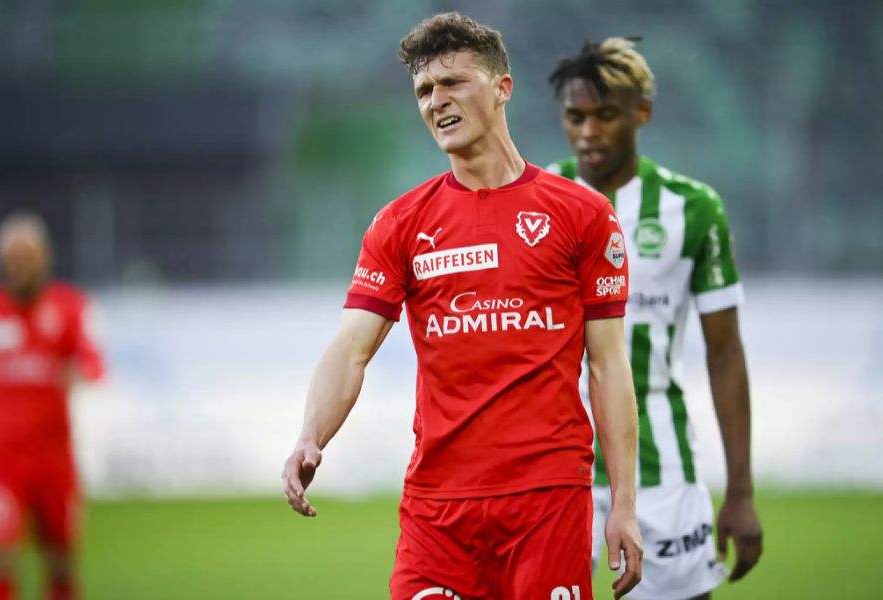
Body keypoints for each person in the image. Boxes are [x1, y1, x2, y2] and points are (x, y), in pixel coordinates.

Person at [283, 12, 643, 600]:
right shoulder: (401, 224)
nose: (436, 101)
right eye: (425, 90)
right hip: (437, 511)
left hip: (546, 502)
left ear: (503, 88)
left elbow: (608, 366)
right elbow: (351, 348)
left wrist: (624, 504)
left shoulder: (582, 215)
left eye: (453, 82)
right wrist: (309, 435)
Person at [546, 38, 763, 599]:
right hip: (551, 475)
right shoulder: (536, 202)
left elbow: (725, 353)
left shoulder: (695, 209)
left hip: (661, 475)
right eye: (576, 117)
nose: (589, 132)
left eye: (606, 115)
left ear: (641, 112)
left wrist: (739, 490)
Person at [0, 213, 105, 600]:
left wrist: (79, 370)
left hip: (55, 462)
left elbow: (94, 364)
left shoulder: (69, 308)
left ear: (44, 259)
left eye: (28, 258)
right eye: (13, 259)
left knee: (60, 564)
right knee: (1, 560)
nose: (20, 267)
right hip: (2, 463)